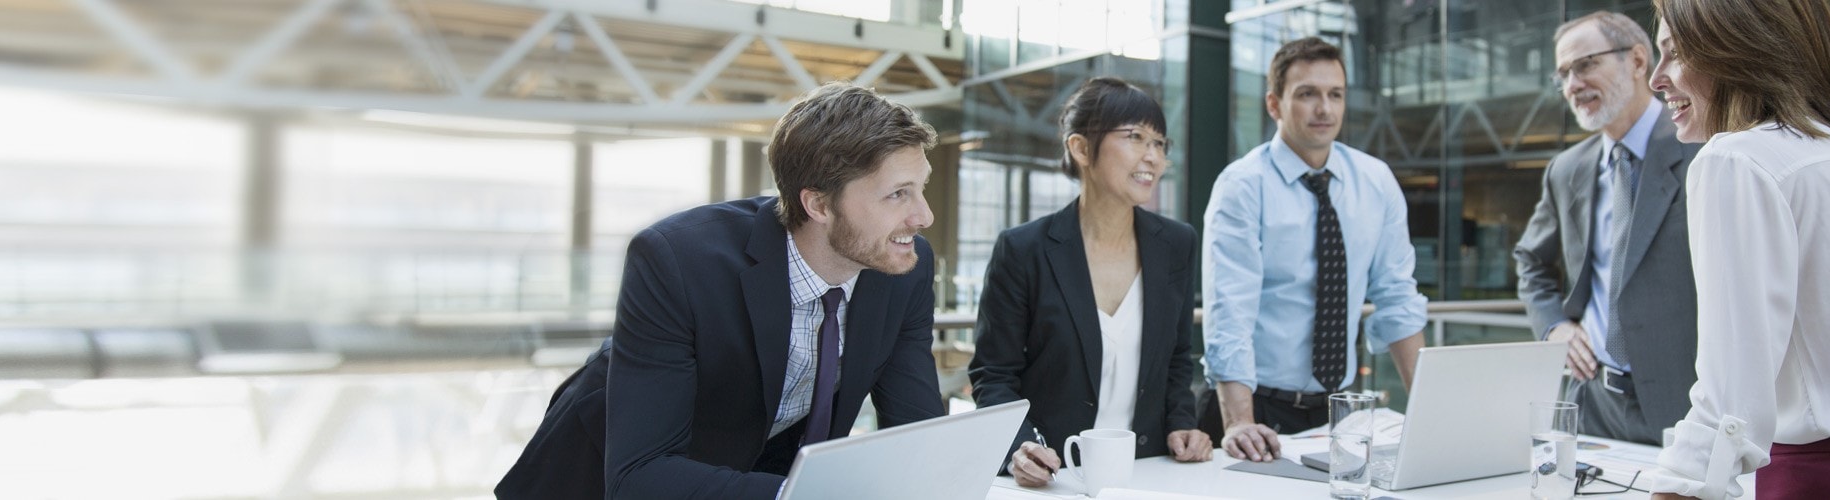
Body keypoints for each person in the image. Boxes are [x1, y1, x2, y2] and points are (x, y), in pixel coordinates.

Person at [495, 83, 947, 500]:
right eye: (898, 195)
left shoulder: (905, 265)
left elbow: (918, 433)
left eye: (920, 188)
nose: (923, 216)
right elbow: (641, 474)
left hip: (751, 476)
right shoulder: (676, 258)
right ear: (819, 204)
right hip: (600, 478)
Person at [1639, 0, 1830, 498]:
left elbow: (1729, 402)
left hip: (1823, 478)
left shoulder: (1736, 158)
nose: (1657, 78)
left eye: (1675, 53)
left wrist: (1677, 487)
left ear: (1736, 48)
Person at [969, 77, 1214, 487]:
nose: (1153, 156)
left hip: (1148, 473)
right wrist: (1021, 447)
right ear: (1081, 148)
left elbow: (1176, 358)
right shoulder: (1023, 249)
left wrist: (1182, 423)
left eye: (1159, 143)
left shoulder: (1176, 243)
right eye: (1135, 137)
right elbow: (993, 374)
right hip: (1053, 474)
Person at [1199, 37, 1428, 462]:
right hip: (1255, 408)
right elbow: (1230, 312)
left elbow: (1398, 298)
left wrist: (1433, 413)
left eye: (1335, 94)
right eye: (1307, 94)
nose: (1324, 108)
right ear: (1274, 104)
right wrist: (1240, 424)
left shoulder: (1375, 182)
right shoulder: (1243, 186)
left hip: (1339, 413)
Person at [1511, 11, 1703, 446]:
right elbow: (1530, 260)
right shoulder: (1567, 169)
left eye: (1585, 65)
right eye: (1563, 74)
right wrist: (1554, 326)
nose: (1572, 85)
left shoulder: (1700, 150)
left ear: (1638, 61)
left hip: (1686, 406)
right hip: (1591, 403)